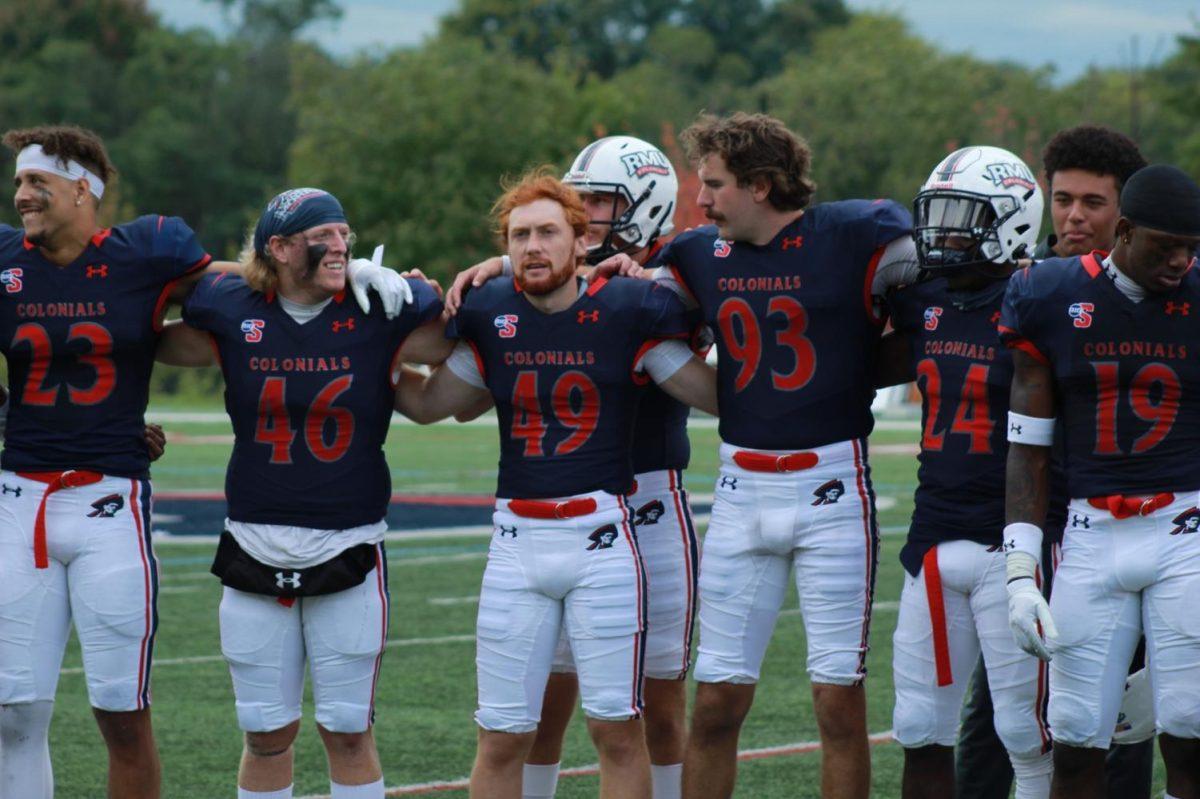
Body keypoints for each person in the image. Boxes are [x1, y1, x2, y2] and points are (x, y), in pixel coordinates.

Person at [0, 126, 414, 799]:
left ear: (83, 190)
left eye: (34, 181)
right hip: (19, 496)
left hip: (111, 497)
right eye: (17, 181)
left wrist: (339, 270)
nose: (20, 196)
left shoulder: (148, 249)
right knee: (13, 708)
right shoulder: (5, 257)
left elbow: (248, 279)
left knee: (123, 712)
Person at [393, 168, 717, 799]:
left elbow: (710, 394)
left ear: (579, 242)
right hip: (516, 540)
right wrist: (367, 359)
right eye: (519, 236)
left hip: (603, 536)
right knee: (501, 733)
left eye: (547, 233)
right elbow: (434, 403)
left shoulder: (630, 308)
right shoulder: (490, 311)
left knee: (619, 730)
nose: (532, 247)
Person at [645, 112, 916, 799]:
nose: (700, 201)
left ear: (762, 186)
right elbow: (631, 315)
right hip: (740, 489)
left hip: (832, 487)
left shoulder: (858, 234)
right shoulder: (698, 255)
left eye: (714, 184)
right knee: (715, 702)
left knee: (837, 701)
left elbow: (929, 308)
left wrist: (855, 370)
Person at [154, 186, 449, 799]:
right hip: (254, 541)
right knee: (264, 732)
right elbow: (138, 303)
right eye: (324, 236)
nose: (342, 246)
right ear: (280, 248)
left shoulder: (381, 305)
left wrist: (426, 285)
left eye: (346, 234)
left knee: (347, 729)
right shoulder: (231, 305)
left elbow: (464, 326)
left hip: (351, 542)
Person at [956, 124, 1154, 799]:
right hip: (1032, 523)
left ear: (1126, 212)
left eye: (1093, 202)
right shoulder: (1026, 282)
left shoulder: (1164, 288)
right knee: (998, 705)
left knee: (1120, 714)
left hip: (1129, 525)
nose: (1074, 216)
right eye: (1063, 198)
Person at [1000, 164, 1200, 799]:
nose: (1180, 260)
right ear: (1124, 229)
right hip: (1090, 533)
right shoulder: (1049, 295)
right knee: (1077, 734)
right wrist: (1018, 570)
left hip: (1186, 527)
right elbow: (1027, 446)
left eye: (1191, 247)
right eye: (1165, 244)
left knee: (1192, 727)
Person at [880, 146, 1057, 798]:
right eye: (939, 215)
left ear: (1011, 222)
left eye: (962, 218)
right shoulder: (925, 298)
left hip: (1010, 542)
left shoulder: (1038, 296)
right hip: (930, 540)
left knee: (1026, 731)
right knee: (919, 726)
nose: (944, 233)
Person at [1033, 125, 1148, 260]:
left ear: (1123, 209)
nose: (1075, 215)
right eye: (1064, 201)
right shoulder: (1021, 278)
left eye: (1092, 203)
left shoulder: (1157, 278)